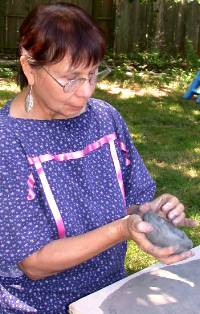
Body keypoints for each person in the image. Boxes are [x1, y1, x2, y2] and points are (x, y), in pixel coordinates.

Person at [0, 3, 196, 313]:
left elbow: (131, 203)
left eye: (93, 74)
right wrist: (121, 230)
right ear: (29, 67)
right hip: (38, 306)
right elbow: (34, 263)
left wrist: (152, 213)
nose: (86, 92)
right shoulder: (7, 142)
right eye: (71, 78)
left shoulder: (105, 119)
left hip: (109, 294)